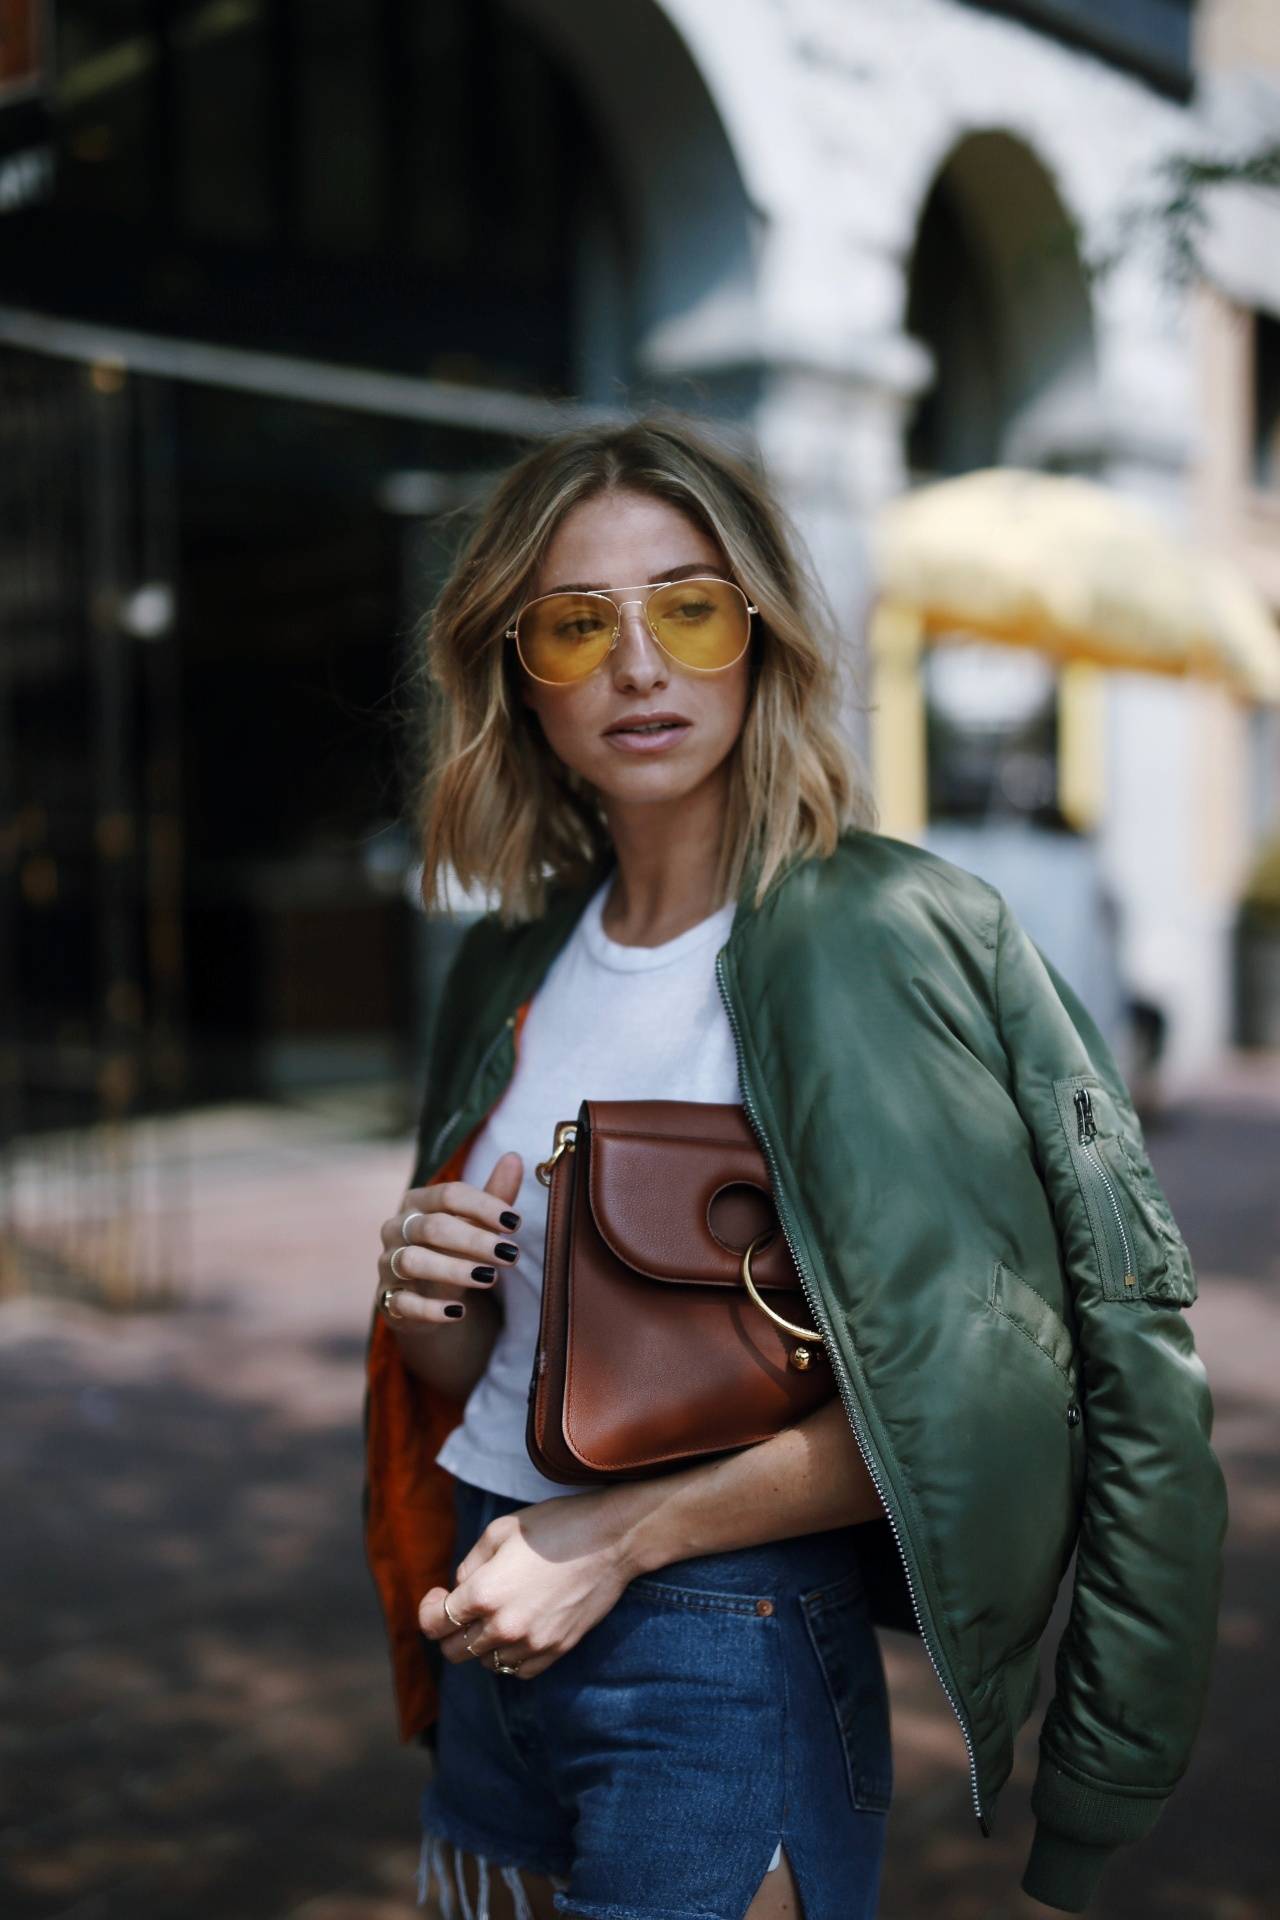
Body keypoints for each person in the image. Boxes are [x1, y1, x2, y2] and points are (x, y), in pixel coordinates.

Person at [363, 415, 1227, 1920]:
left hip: (718, 1651)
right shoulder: (506, 959)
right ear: (519, 671)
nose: (638, 666)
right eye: (578, 625)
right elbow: (483, 1373)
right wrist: (429, 1294)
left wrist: (617, 1534)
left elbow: (991, 1399)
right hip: (492, 1629)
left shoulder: (892, 936)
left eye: (687, 608)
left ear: (759, 636)